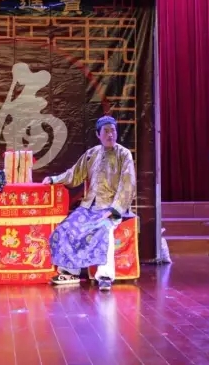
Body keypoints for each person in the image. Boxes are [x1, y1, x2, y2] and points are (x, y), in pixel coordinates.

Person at [43, 115, 136, 291]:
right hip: (89, 207)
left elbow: (127, 184)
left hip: (110, 207)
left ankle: (105, 276)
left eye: (113, 130)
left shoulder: (124, 154)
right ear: (98, 134)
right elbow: (74, 174)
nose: (110, 134)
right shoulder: (91, 154)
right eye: (106, 131)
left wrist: (114, 209)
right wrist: (54, 179)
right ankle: (70, 271)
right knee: (66, 228)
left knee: (104, 230)